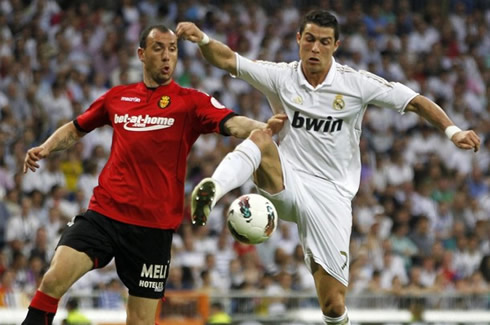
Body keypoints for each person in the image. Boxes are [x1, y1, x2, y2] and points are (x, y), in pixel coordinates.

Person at [176, 9, 481, 325]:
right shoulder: (281, 76)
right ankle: (214, 189)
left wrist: (452, 130)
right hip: (288, 180)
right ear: (298, 39)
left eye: (324, 42)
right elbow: (228, 60)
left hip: (333, 197)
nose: (315, 48)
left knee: (333, 305)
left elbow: (414, 100)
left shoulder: (355, 84)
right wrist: (202, 38)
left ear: (336, 45)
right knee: (263, 137)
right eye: (309, 39)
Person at [22, 25, 283, 325]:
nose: (167, 55)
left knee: (140, 321)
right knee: (53, 279)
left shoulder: (191, 101)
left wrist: (264, 129)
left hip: (152, 229)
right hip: (104, 214)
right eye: (158, 48)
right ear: (141, 55)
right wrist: (46, 147)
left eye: (172, 48)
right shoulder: (117, 98)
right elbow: (76, 128)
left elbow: (233, 123)